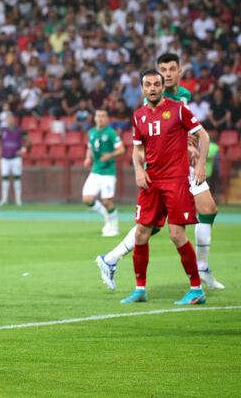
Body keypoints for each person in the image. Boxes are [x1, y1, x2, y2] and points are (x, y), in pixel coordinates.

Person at [97, 53, 224, 290]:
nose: (167, 74)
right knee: (152, 226)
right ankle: (114, 260)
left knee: (207, 210)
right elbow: (151, 138)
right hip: (164, 168)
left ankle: (200, 267)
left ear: (179, 72)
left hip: (181, 166)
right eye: (162, 70)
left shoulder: (183, 96)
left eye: (171, 69)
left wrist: (190, 145)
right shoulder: (153, 101)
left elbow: (186, 129)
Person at [117, 69, 208, 305]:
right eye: (148, 85)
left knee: (177, 235)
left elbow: (204, 136)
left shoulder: (178, 109)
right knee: (141, 233)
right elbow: (138, 149)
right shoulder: (138, 116)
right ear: (142, 88)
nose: (153, 88)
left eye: (156, 84)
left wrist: (200, 165)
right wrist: (138, 169)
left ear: (162, 87)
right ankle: (139, 289)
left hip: (176, 180)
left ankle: (196, 289)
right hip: (151, 181)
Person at [82, 109, 124, 237]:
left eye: (103, 116)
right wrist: (88, 158)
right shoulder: (91, 132)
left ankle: (114, 228)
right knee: (87, 199)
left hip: (108, 172)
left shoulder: (111, 133)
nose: (100, 118)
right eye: (98, 116)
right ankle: (106, 215)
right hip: (96, 170)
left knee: (107, 201)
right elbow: (90, 147)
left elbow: (121, 149)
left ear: (107, 119)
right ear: (94, 118)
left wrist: (110, 155)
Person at [0, 113, 26, 207]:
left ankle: (18, 200)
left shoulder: (19, 130)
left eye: (11, 119)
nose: (10, 121)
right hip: (5, 157)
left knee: (17, 177)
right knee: (5, 177)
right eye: (8, 119)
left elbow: (27, 140)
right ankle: (4, 199)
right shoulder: (2, 130)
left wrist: (23, 149)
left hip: (16, 157)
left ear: (14, 120)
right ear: (6, 121)